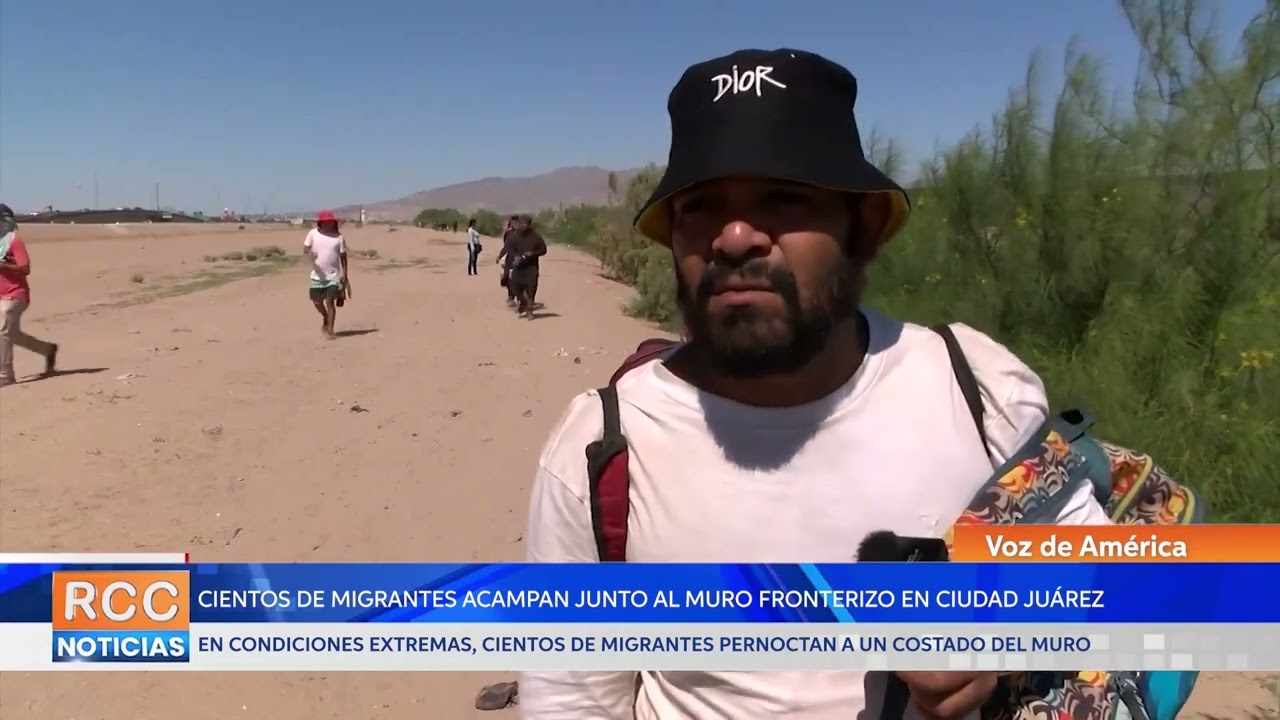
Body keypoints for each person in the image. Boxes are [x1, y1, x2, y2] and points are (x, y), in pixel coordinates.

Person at [519, 49, 1116, 719]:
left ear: (860, 229)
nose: (736, 236)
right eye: (701, 208)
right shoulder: (602, 447)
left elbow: (1125, 598)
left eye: (784, 198)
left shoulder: (976, 389)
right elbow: (571, 698)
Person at [0, 203, 57, 386]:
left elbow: (25, 268)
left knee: (2, 328)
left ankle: (5, 376)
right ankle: (47, 349)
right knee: (11, 335)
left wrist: (4, 265)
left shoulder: (14, 241)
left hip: (15, 294)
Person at [303, 210, 348, 338]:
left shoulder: (338, 237)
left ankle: (330, 330)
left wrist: (345, 275)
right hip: (317, 276)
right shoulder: (313, 233)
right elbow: (305, 249)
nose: (329, 224)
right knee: (316, 301)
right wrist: (310, 253)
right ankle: (325, 316)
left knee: (330, 302)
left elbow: (343, 257)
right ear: (321, 223)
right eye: (326, 222)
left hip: (333, 276)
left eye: (331, 222)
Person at [505, 214, 547, 319]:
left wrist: (532, 253)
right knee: (515, 286)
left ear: (529, 225)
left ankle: (529, 311)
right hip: (518, 267)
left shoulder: (536, 237)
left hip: (531, 267)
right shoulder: (514, 237)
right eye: (520, 224)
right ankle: (522, 302)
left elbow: (543, 250)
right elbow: (509, 248)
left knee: (531, 289)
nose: (522, 226)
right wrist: (515, 256)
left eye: (524, 224)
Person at [496, 215, 520, 306]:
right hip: (510, 258)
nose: (515, 224)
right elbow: (506, 246)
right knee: (509, 279)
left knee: (519, 278)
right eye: (514, 223)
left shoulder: (522, 233)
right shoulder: (508, 234)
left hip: (520, 258)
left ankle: (520, 298)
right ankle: (510, 297)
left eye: (517, 223)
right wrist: (500, 256)